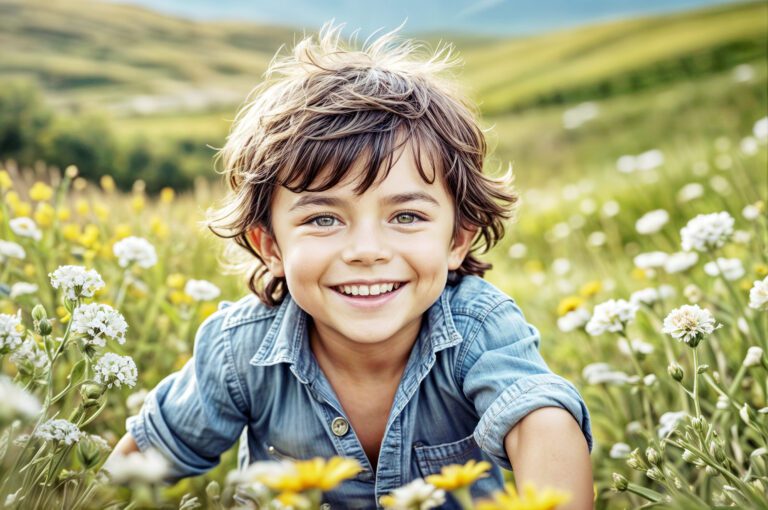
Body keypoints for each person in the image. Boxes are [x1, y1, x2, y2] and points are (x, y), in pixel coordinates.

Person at [108, 21, 594, 509]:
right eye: (323, 219)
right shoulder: (239, 351)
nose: (366, 250)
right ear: (270, 246)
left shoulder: (478, 328)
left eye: (405, 216)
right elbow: (139, 465)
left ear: (457, 240)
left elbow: (541, 422)